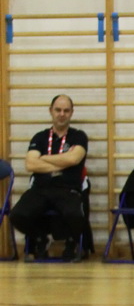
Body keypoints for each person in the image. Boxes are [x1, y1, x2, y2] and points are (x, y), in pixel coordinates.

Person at [11, 94, 88, 261]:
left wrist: (44, 158)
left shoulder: (79, 136)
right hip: (41, 188)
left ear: (71, 113)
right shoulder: (40, 137)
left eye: (66, 110)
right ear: (51, 111)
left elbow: (74, 159)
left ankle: (71, 242)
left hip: (67, 189)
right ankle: (41, 237)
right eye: (58, 110)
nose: (62, 114)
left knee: (75, 215)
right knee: (17, 215)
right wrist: (62, 162)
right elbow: (30, 164)